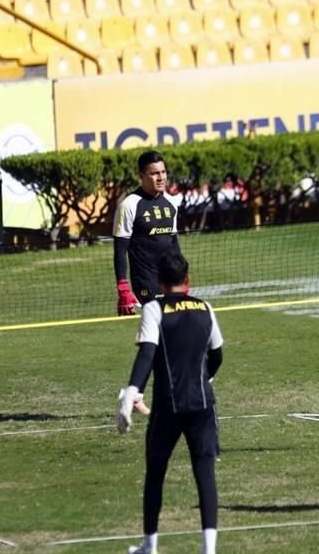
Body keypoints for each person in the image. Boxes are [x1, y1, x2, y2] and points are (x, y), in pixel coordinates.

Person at [117, 251, 223, 554]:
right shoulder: (205, 307)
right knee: (205, 475)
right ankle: (209, 549)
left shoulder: (154, 308)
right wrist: (204, 378)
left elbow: (147, 353)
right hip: (203, 404)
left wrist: (133, 390)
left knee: (156, 473)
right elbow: (216, 355)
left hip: (168, 405)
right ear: (188, 279)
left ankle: (149, 546)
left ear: (160, 282)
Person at [113, 150, 183, 316]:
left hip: (170, 280)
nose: (161, 178)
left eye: (163, 172)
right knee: (157, 328)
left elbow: (174, 243)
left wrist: (182, 276)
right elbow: (120, 250)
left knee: (175, 329)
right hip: (146, 283)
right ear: (141, 176)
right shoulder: (129, 205)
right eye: (154, 173)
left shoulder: (171, 202)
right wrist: (123, 289)